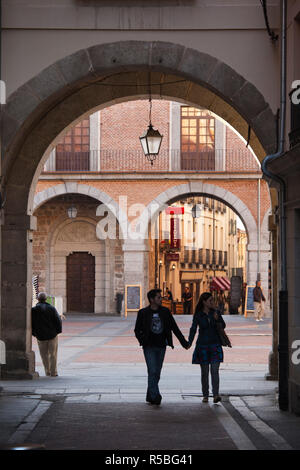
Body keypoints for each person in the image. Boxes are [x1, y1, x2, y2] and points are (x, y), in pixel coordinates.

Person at [134, 288, 189, 405]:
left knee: (156, 372)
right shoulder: (143, 313)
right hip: (149, 346)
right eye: (158, 297)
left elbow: (174, 327)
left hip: (161, 345)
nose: (161, 299)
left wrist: (184, 342)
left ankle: (150, 395)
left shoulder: (165, 312)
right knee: (152, 370)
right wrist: (142, 340)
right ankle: (155, 396)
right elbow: (137, 329)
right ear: (151, 299)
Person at [188, 292, 226, 403]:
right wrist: (189, 342)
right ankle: (205, 394)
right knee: (204, 372)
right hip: (203, 346)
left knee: (214, 370)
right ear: (204, 302)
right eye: (210, 301)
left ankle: (215, 394)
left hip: (215, 344)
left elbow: (223, 325)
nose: (212, 302)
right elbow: (193, 329)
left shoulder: (216, 312)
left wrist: (217, 318)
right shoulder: (198, 314)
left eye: (212, 300)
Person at [31, 292, 62, 377]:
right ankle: (53, 372)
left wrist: (34, 333)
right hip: (52, 335)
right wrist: (58, 331)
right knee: (53, 354)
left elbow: (31, 323)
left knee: (44, 355)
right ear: (46, 299)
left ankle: (47, 371)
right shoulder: (51, 308)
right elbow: (58, 320)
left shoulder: (34, 310)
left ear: (38, 299)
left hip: (40, 336)